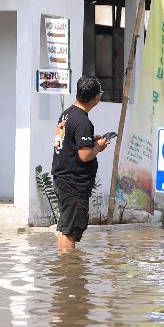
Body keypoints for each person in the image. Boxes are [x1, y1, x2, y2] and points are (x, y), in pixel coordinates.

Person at [51, 76, 111, 251]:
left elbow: (70, 141)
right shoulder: (83, 121)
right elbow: (85, 155)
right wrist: (98, 147)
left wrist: (90, 140)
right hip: (73, 184)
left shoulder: (67, 114)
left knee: (64, 228)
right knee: (71, 231)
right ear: (96, 98)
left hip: (62, 179)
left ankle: (63, 266)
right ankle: (70, 272)